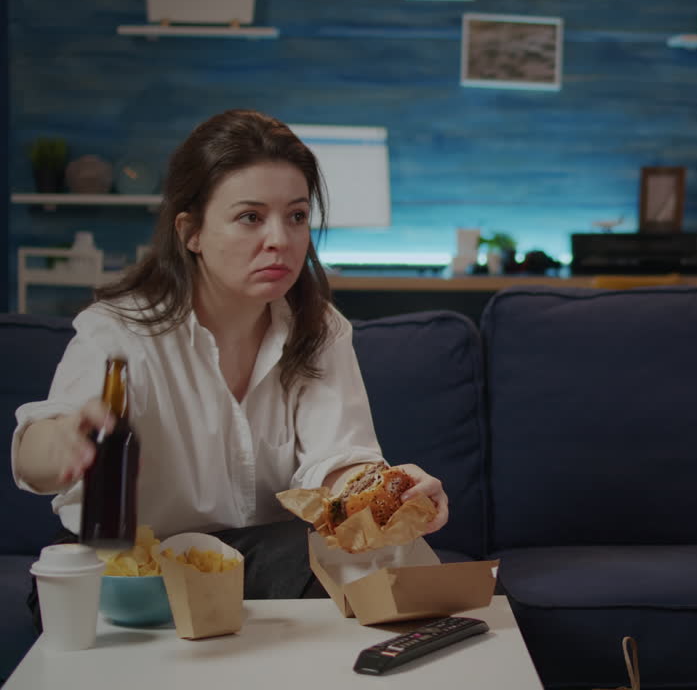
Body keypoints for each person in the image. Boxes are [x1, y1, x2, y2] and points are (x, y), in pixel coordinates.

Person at [11, 109, 449, 610]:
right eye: (250, 217)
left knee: (394, 557)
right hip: (133, 570)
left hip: (260, 562)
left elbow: (336, 464)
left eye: (297, 216)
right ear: (190, 231)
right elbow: (36, 453)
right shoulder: (119, 330)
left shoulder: (321, 328)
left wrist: (389, 493)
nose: (280, 240)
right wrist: (64, 441)